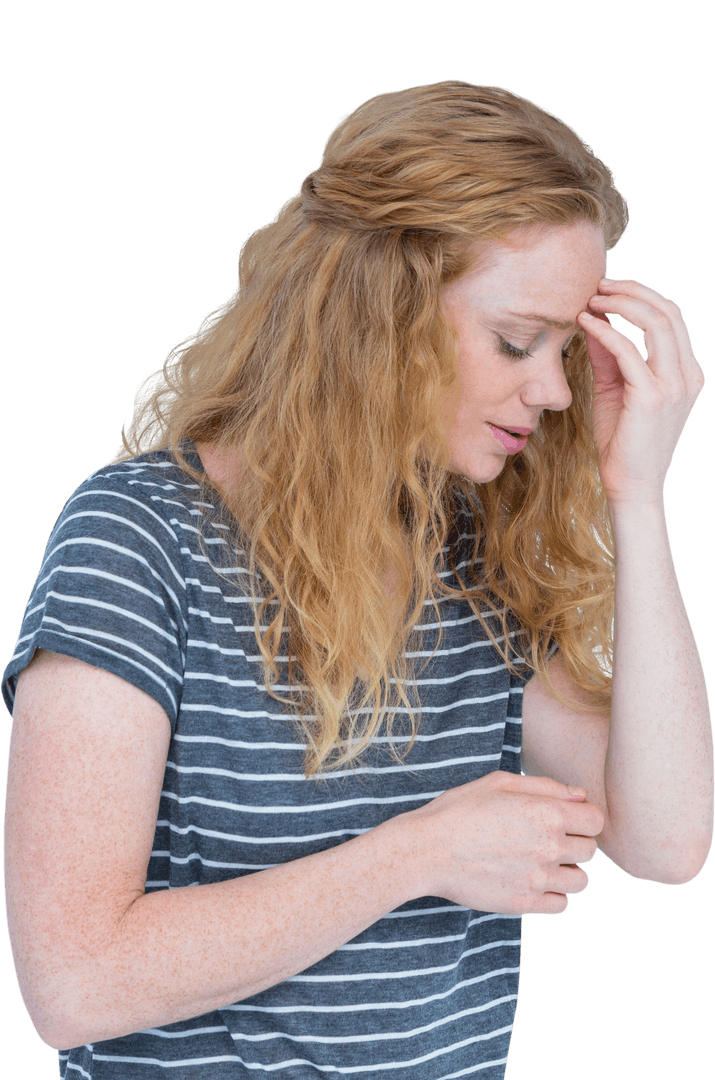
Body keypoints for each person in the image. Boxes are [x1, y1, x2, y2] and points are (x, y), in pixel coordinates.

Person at [3, 80, 710, 1080]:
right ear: (379, 312)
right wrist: (415, 855)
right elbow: (73, 984)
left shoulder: (472, 556)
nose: (551, 392)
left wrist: (635, 498)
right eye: (517, 341)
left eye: (564, 350)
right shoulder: (137, 540)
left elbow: (667, 840)